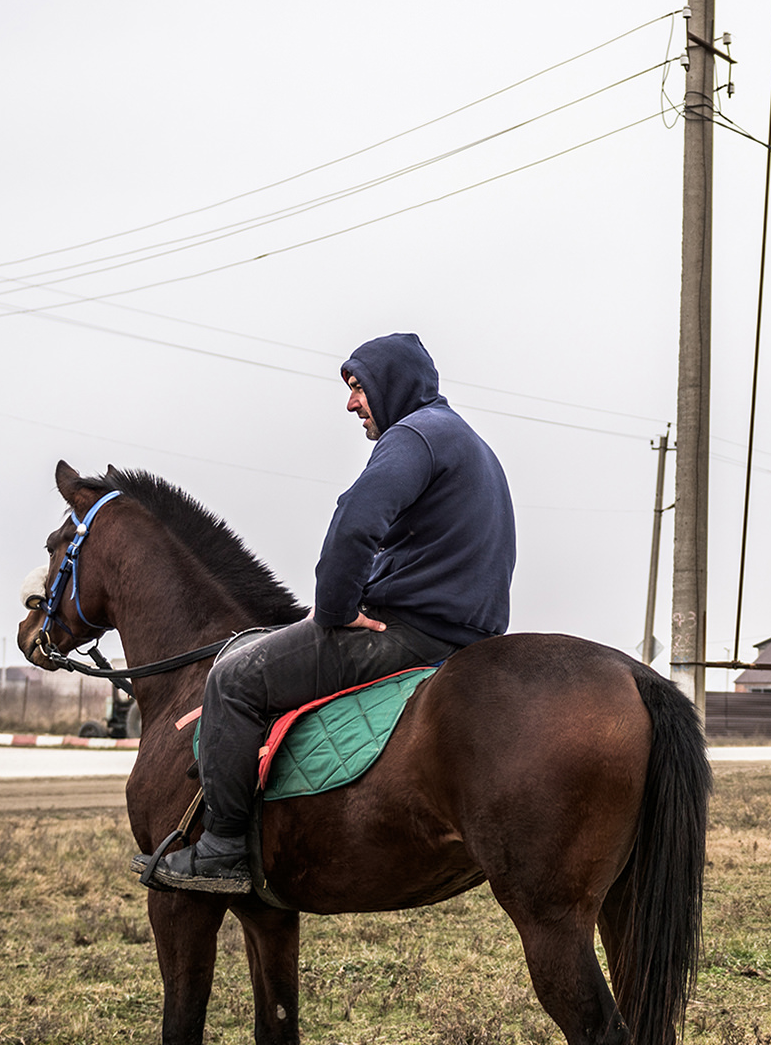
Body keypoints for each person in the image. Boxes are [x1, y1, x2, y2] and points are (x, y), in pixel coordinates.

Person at [147, 332, 516, 890]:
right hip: (465, 636)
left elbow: (355, 521)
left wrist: (337, 609)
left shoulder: (412, 436)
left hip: (409, 632)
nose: (351, 404)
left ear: (391, 386)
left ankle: (222, 848)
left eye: (358, 387)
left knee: (233, 676)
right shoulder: (465, 440)